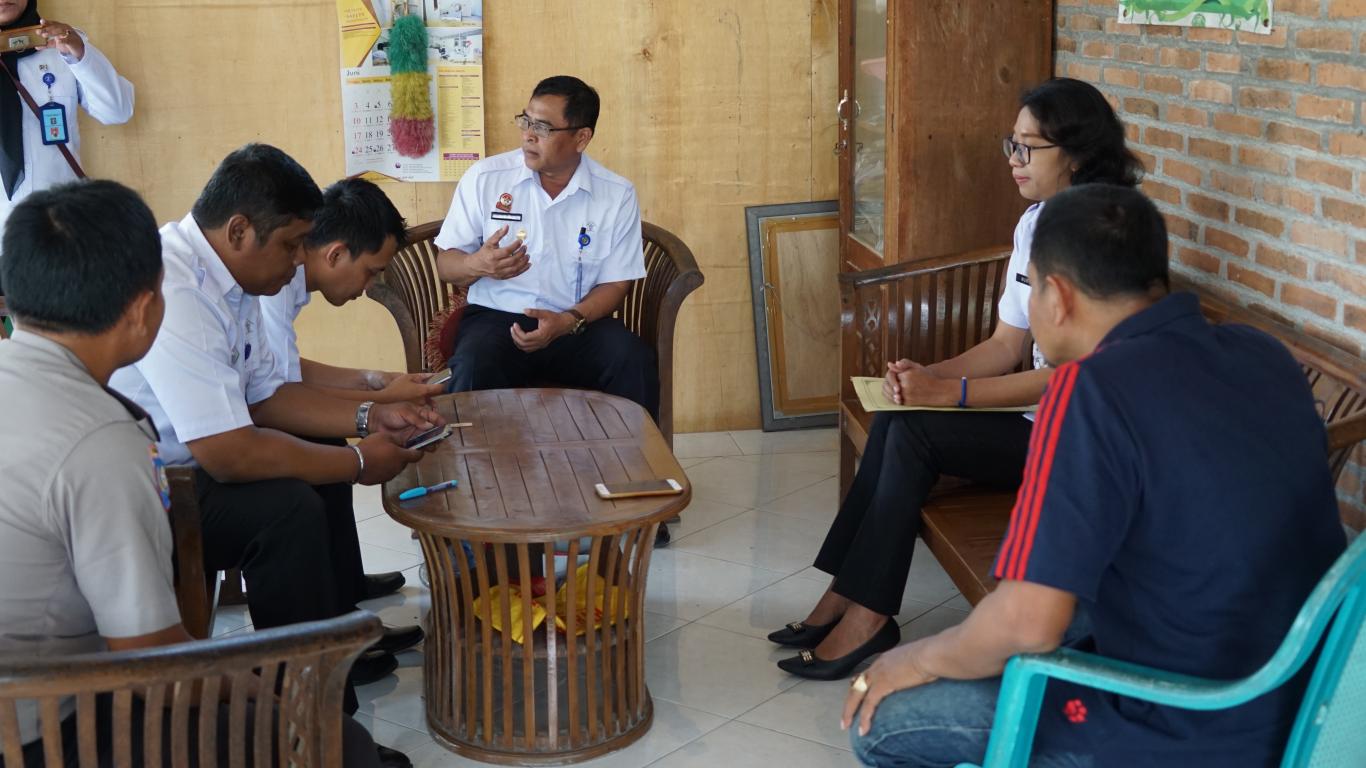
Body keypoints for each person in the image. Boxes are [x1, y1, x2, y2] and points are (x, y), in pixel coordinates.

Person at [841, 184, 1346, 767]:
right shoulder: (1262, 353)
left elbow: (1029, 623)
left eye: (1030, 286)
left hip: (1191, 721)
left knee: (883, 722)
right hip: (1313, 693)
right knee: (1046, 617)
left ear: (1057, 296)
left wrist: (915, 658)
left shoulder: (1090, 390)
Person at [769, 78, 1145, 680]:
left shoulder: (1106, 238)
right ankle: (847, 595)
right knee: (899, 418)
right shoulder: (1035, 223)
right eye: (1011, 144)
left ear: (1076, 153)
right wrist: (926, 376)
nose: (1015, 160)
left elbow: (1078, 379)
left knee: (915, 433)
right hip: (1034, 422)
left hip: (1079, 443)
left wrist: (951, 394)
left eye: (1030, 148)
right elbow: (1006, 345)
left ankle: (867, 614)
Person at [0, 179, 381, 768]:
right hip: (42, 731)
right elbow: (152, 658)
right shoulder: (102, 442)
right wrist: (280, 705)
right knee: (339, 747)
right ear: (144, 307)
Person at [109, 144, 437, 768]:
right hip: (149, 490)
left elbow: (268, 398)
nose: (296, 263)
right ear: (239, 231)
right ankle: (311, 730)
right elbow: (229, 453)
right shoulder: (177, 284)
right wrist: (360, 463)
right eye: (290, 245)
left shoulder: (232, 280)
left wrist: (372, 417)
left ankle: (324, 706)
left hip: (188, 467)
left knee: (305, 471)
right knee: (286, 511)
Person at [433, 75, 657, 419]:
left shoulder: (616, 194)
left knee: (632, 360)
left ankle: (633, 456)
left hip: (576, 322)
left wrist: (569, 320)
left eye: (543, 127)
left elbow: (616, 283)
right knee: (474, 366)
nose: (528, 135)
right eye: (526, 121)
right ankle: (469, 456)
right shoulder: (485, 178)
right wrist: (477, 264)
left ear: (581, 138)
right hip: (498, 320)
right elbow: (446, 263)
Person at [260, 177, 442, 405]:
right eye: (370, 272)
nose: (369, 286)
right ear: (336, 255)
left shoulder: (294, 279)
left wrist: (368, 379)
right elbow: (281, 395)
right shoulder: (276, 283)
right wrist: (384, 400)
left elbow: (287, 369)